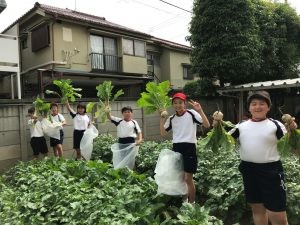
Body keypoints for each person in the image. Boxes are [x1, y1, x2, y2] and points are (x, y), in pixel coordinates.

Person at [228, 90, 297, 225]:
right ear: (249, 108)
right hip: (249, 170)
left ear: (268, 107)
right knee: (257, 209)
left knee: (277, 215)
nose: (257, 107)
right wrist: (217, 125)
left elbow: (292, 147)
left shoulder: (276, 125)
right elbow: (224, 139)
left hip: (271, 172)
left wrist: (292, 131)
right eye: (253, 104)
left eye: (261, 104)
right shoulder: (240, 126)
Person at [160, 92, 210, 203]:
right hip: (177, 148)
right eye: (175, 103)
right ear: (173, 105)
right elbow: (163, 133)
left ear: (184, 104)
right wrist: (162, 118)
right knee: (181, 178)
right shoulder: (172, 118)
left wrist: (200, 110)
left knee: (188, 179)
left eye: (180, 103)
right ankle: (184, 200)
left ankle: (192, 203)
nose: (178, 105)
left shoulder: (191, 114)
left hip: (189, 148)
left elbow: (207, 125)